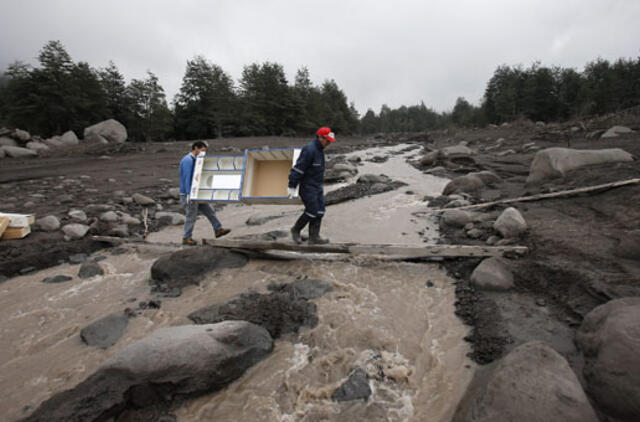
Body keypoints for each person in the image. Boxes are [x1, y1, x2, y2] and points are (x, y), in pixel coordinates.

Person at [287, 127, 336, 245]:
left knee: (320, 211)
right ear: (320, 137)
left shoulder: (320, 149)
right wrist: (291, 186)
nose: (329, 143)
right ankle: (296, 230)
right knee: (311, 211)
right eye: (327, 140)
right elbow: (298, 169)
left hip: (317, 186)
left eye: (330, 141)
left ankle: (314, 237)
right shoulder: (310, 150)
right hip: (307, 187)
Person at [179, 141, 231, 245]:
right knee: (191, 216)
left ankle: (218, 229)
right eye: (202, 150)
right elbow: (187, 178)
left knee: (210, 211)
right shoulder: (187, 160)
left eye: (204, 151)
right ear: (196, 149)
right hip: (189, 194)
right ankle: (186, 238)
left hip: (197, 193)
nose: (204, 153)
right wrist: (190, 194)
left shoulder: (196, 160)